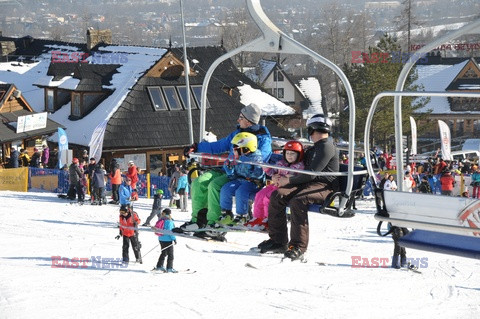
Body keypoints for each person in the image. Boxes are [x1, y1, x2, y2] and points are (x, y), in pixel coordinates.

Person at [258, 114, 339, 261]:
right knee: (277, 195)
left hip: (323, 186)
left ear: (313, 129)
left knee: (298, 200)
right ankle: (278, 241)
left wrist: (287, 180)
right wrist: (277, 175)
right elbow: (294, 164)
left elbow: (311, 174)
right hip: (306, 182)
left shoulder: (326, 147)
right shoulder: (316, 147)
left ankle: (298, 246)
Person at [182, 103, 272, 229]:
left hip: (245, 175)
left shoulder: (262, 139)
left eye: (241, 117)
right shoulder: (236, 134)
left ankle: (213, 222)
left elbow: (261, 160)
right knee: (198, 182)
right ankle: (197, 220)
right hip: (229, 170)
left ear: (249, 121)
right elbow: (218, 146)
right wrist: (196, 147)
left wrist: (240, 158)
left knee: (214, 186)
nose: (238, 120)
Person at [247, 140, 305, 231]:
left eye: (292, 154)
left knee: (268, 198)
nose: (289, 156)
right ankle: (258, 218)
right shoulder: (281, 163)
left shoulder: (299, 166)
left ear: (299, 155)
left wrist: (289, 177)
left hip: (287, 188)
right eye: (287, 153)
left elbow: (299, 178)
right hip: (275, 185)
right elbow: (272, 172)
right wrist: (267, 169)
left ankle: (268, 219)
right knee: (259, 195)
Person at [217, 132, 265, 226]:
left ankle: (242, 215)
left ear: (247, 149)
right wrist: (229, 169)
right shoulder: (236, 157)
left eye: (236, 149)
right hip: (239, 180)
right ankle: (226, 213)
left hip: (253, 182)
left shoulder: (256, 157)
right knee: (226, 189)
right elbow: (233, 175)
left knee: (241, 192)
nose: (234, 151)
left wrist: (247, 162)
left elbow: (259, 174)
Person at [152, 208, 177, 273]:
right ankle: (169, 268)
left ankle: (159, 266)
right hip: (168, 239)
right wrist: (174, 239)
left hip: (161, 238)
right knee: (170, 254)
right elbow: (169, 232)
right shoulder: (169, 221)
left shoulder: (161, 219)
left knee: (163, 253)